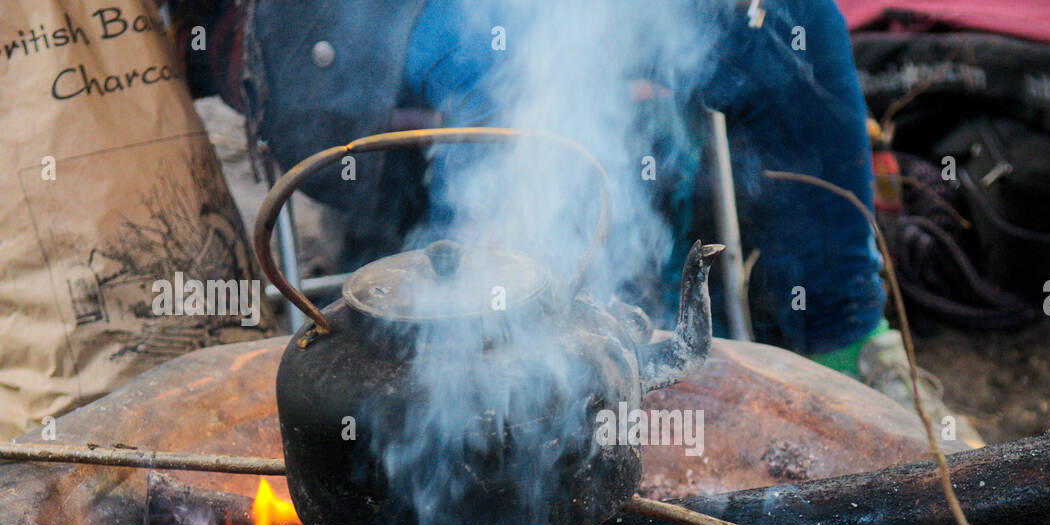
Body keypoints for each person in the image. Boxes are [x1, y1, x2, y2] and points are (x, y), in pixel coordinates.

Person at [178, 0, 963, 427]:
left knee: (787, 15)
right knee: (508, 65)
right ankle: (538, 391)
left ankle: (843, 344)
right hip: (343, 28)